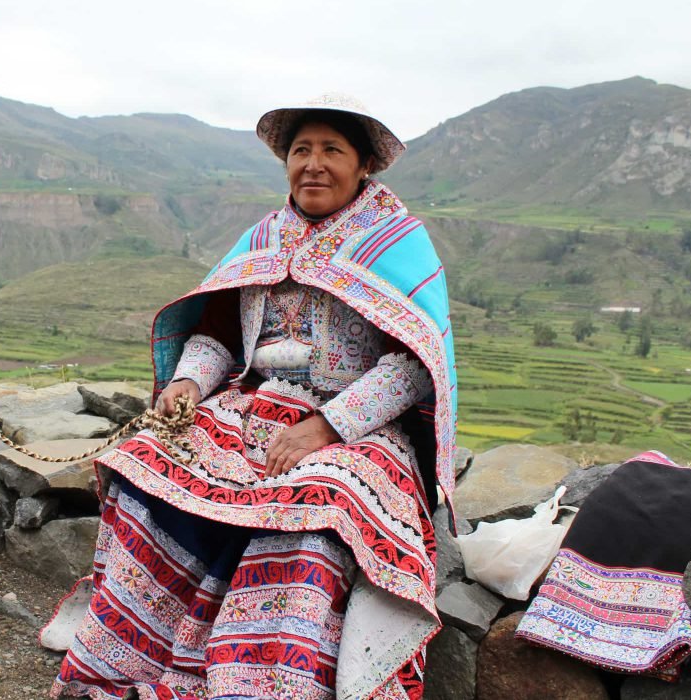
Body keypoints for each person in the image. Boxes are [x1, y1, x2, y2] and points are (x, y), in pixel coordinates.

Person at [50, 95, 458, 700]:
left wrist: (327, 427)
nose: (313, 164)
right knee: (147, 462)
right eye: (301, 150)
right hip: (253, 404)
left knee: (320, 498)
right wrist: (190, 383)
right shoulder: (263, 238)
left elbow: (415, 365)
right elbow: (219, 332)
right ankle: (131, 654)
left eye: (331, 150)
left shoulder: (397, 242)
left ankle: (266, 681)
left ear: (364, 164)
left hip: (357, 426)